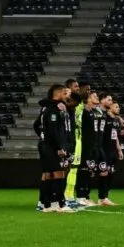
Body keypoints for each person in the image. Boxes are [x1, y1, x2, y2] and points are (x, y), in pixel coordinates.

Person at [35, 83, 72, 213]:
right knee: (58, 173)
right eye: (64, 92)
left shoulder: (46, 108)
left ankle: (47, 204)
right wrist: (59, 146)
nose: (65, 95)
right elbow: (53, 130)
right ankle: (60, 204)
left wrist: (43, 137)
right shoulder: (53, 109)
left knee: (48, 175)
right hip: (51, 146)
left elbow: (36, 125)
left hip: (46, 145)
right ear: (57, 94)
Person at [97, 94, 123, 206]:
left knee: (111, 173)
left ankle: (105, 196)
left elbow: (115, 136)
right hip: (104, 149)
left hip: (113, 150)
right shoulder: (104, 117)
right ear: (111, 107)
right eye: (116, 107)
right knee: (104, 173)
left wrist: (119, 149)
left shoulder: (116, 120)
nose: (118, 108)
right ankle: (101, 197)